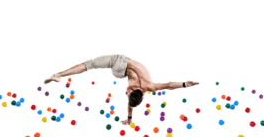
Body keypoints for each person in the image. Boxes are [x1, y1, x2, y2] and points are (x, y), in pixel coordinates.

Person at [44, 54, 199, 125]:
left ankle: (58, 74)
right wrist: (185, 84)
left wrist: (186, 84)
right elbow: (169, 86)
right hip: (122, 71)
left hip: (120, 62)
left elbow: (168, 85)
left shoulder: (148, 87)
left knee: (89, 65)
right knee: (90, 65)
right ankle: (58, 75)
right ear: (142, 96)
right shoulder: (148, 87)